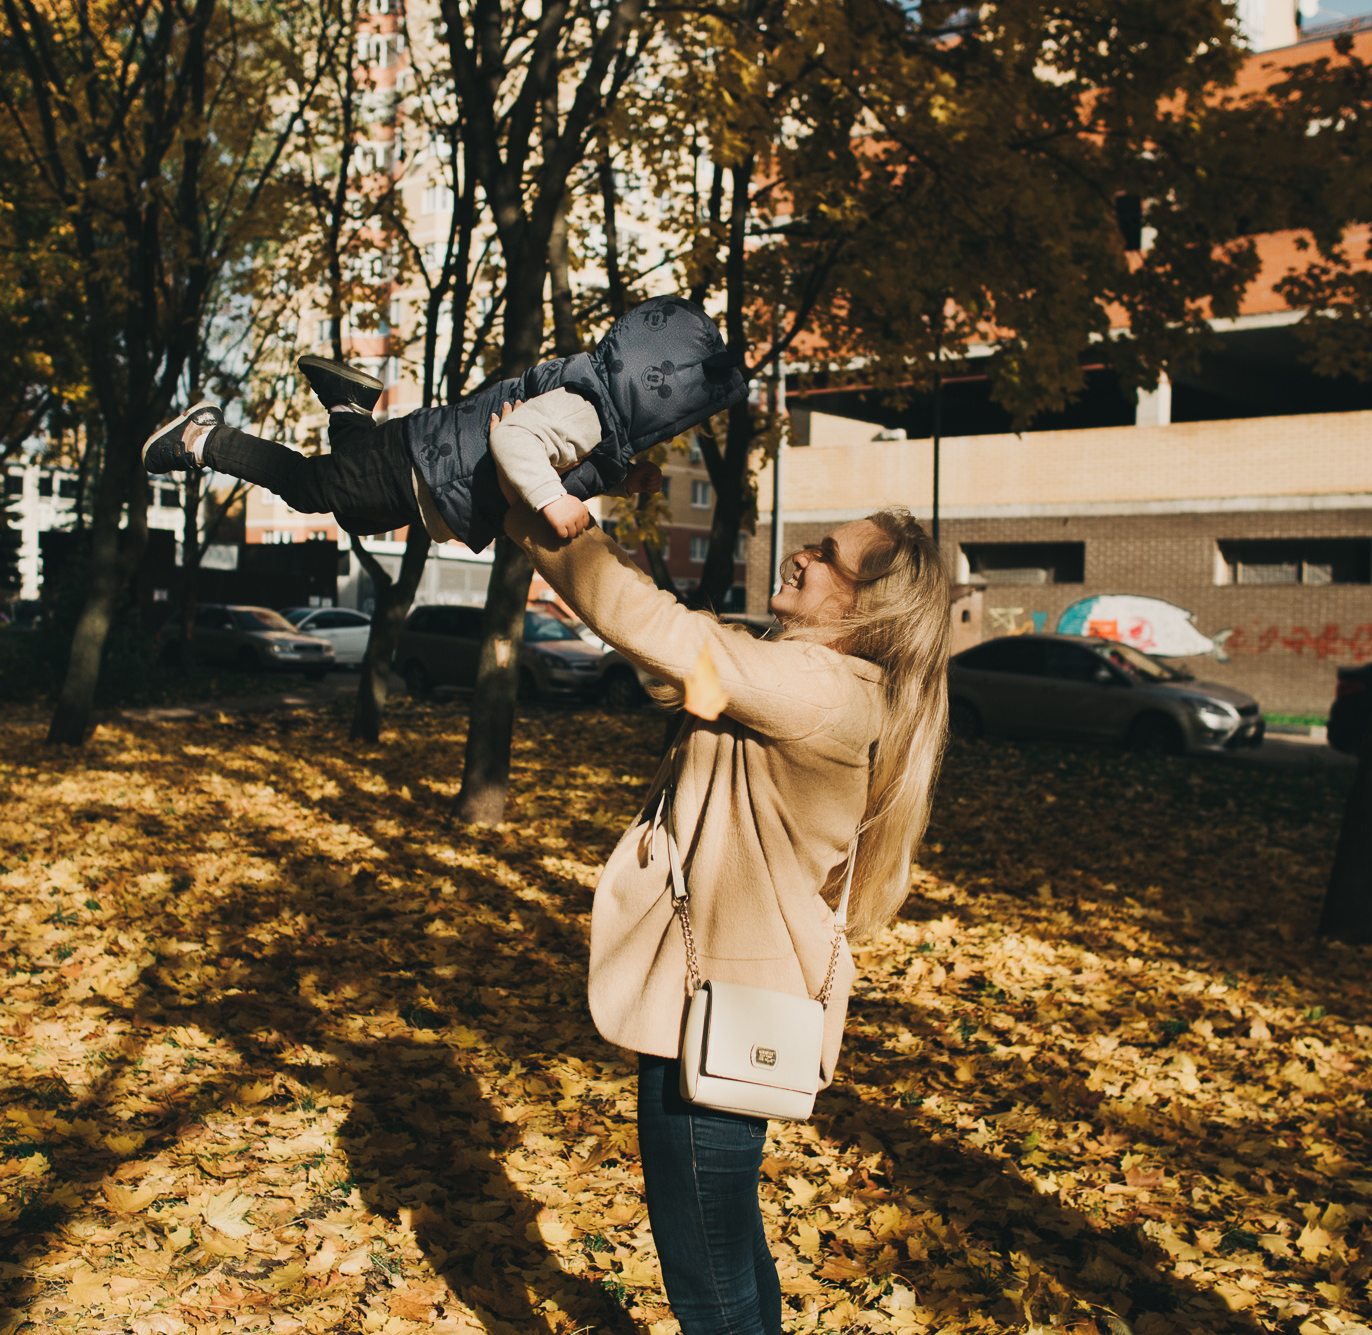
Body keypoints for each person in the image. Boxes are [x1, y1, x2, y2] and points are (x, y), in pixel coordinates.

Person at [502, 482, 952, 1335]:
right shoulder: (800, 684)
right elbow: (681, 667)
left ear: (868, 608)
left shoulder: (819, 686)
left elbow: (674, 637)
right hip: (728, 1002)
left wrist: (548, 515)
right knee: (729, 1250)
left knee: (709, 1282)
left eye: (828, 557)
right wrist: (562, 533)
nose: (804, 554)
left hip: (717, 1015)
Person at [142, 295, 747, 551]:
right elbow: (516, 437)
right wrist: (552, 502)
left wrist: (616, 480)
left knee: (352, 515)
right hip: (422, 466)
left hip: (426, 470)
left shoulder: (597, 416)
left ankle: (349, 405)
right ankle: (202, 438)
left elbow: (555, 450)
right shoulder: (588, 412)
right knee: (310, 490)